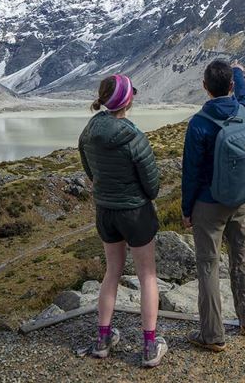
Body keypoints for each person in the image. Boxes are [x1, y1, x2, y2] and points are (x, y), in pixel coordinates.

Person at [77, 74, 167, 368]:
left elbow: (91, 172)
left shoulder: (88, 132)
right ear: (128, 100)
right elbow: (152, 187)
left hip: (105, 211)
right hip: (136, 213)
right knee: (147, 276)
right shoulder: (134, 137)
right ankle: (149, 345)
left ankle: (103, 340)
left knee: (112, 272)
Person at [181, 59, 245, 352]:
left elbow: (190, 172)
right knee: (242, 256)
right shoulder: (244, 113)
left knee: (208, 266)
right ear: (230, 87)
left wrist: (187, 209)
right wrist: (238, 73)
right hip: (240, 200)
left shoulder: (199, 124)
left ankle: (212, 336)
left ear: (204, 87)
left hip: (208, 205)